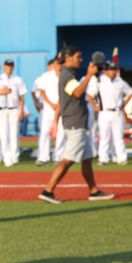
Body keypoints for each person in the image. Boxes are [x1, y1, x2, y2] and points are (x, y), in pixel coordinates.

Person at [38, 46, 114, 204]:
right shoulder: (67, 75)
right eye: (78, 57)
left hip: (77, 122)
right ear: (68, 58)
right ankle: (48, 190)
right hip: (75, 123)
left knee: (86, 158)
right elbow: (78, 92)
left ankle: (94, 191)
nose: (81, 59)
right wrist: (89, 75)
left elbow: (63, 100)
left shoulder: (68, 74)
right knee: (68, 160)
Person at [88, 61, 132, 166]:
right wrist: (95, 107)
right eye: (111, 70)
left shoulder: (119, 81)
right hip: (104, 112)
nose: (113, 72)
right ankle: (103, 158)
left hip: (117, 111)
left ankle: (121, 158)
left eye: (114, 70)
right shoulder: (99, 81)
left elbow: (130, 92)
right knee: (104, 137)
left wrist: (123, 105)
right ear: (105, 71)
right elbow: (90, 94)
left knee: (118, 137)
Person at [36, 58, 66, 165]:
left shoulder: (65, 76)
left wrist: (59, 103)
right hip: (48, 109)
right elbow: (41, 91)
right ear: (53, 64)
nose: (58, 65)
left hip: (62, 108)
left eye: (60, 63)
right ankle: (43, 157)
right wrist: (51, 103)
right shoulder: (46, 76)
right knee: (45, 132)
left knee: (61, 133)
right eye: (57, 63)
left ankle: (57, 156)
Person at [0, 59, 27, 164]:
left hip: (14, 108)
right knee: (3, 134)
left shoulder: (18, 80)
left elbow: (22, 97)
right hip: (3, 109)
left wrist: (21, 110)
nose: (9, 67)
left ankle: (15, 156)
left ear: (13, 67)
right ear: (4, 66)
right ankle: (4, 155)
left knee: (14, 133)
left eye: (11, 65)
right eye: (7, 65)